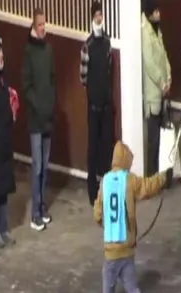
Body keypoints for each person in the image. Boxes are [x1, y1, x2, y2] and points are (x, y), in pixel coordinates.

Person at [92, 141, 169, 293]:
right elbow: (148, 186)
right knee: (134, 291)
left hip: (110, 252)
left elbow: (97, 214)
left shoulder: (104, 182)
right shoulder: (130, 180)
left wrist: (106, 226)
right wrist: (163, 177)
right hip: (127, 251)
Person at [22, 7, 56, 231]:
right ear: (34, 25)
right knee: (37, 166)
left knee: (45, 165)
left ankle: (42, 208)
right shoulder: (28, 52)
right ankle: (35, 213)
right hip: (36, 119)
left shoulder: (48, 50)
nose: (43, 27)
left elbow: (53, 80)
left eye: (44, 23)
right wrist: (40, 106)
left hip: (48, 118)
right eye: (40, 24)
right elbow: (26, 86)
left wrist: (50, 104)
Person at [81, 1, 115, 207]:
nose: (99, 18)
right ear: (92, 17)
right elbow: (83, 76)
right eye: (96, 15)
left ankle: (106, 188)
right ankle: (92, 191)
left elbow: (109, 69)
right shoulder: (87, 46)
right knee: (93, 148)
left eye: (101, 14)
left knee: (106, 147)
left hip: (106, 105)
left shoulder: (108, 42)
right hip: (93, 106)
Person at [0, 35, 17, 248]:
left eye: (1, 50)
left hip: (5, 141)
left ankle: (4, 228)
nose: (1, 55)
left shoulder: (1, 78)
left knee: (4, 190)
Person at [141, 0, 172, 182]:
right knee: (153, 140)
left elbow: (164, 55)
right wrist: (162, 82)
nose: (159, 14)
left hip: (162, 92)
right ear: (150, 13)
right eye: (156, 11)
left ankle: (161, 177)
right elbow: (150, 63)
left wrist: (169, 75)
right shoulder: (145, 33)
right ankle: (151, 178)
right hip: (153, 94)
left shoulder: (157, 30)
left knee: (161, 138)